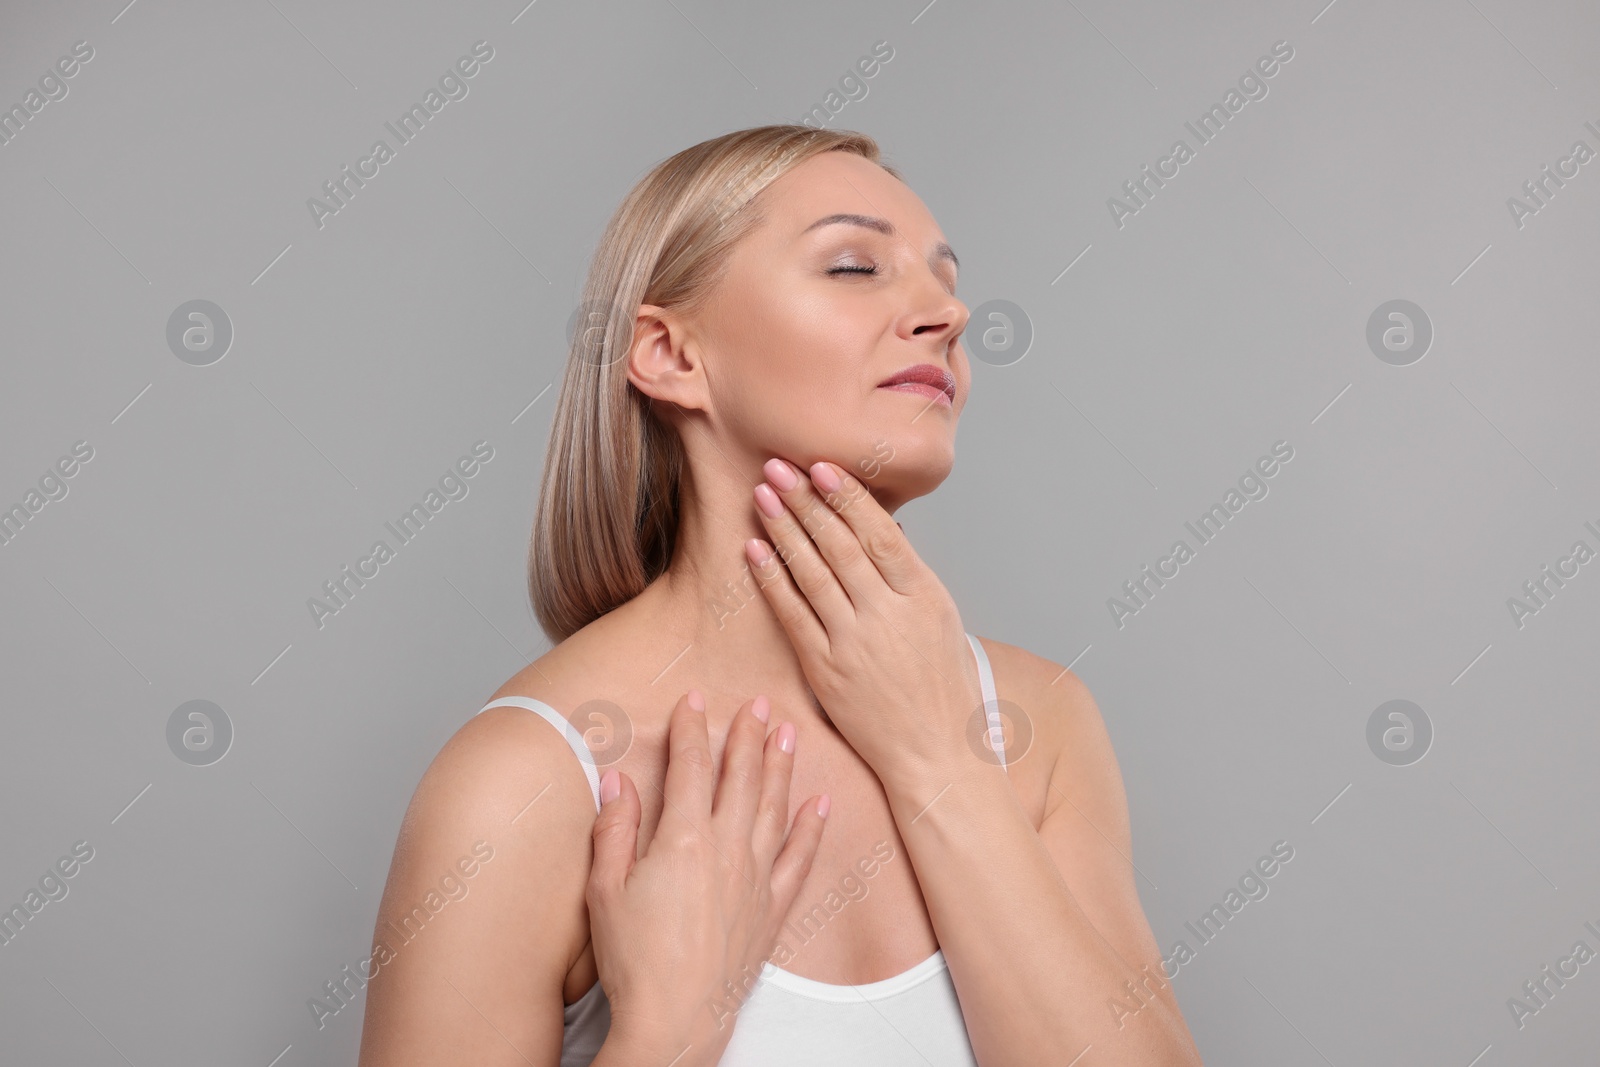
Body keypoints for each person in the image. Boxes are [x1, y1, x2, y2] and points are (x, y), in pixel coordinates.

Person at [357, 124, 1203, 1066]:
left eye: (946, 279)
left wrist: (938, 761)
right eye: (853, 266)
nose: (949, 315)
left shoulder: (1037, 728)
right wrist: (665, 1032)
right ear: (669, 354)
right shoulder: (523, 787)